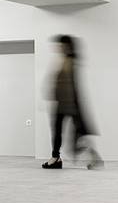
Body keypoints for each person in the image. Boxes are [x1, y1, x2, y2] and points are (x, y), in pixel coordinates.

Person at [42, 35, 103, 170]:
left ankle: (90, 156)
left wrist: (69, 105)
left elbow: (69, 86)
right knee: (59, 134)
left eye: (61, 45)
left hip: (67, 105)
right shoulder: (66, 60)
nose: (58, 47)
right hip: (63, 105)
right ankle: (56, 158)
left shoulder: (69, 61)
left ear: (67, 46)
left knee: (73, 139)